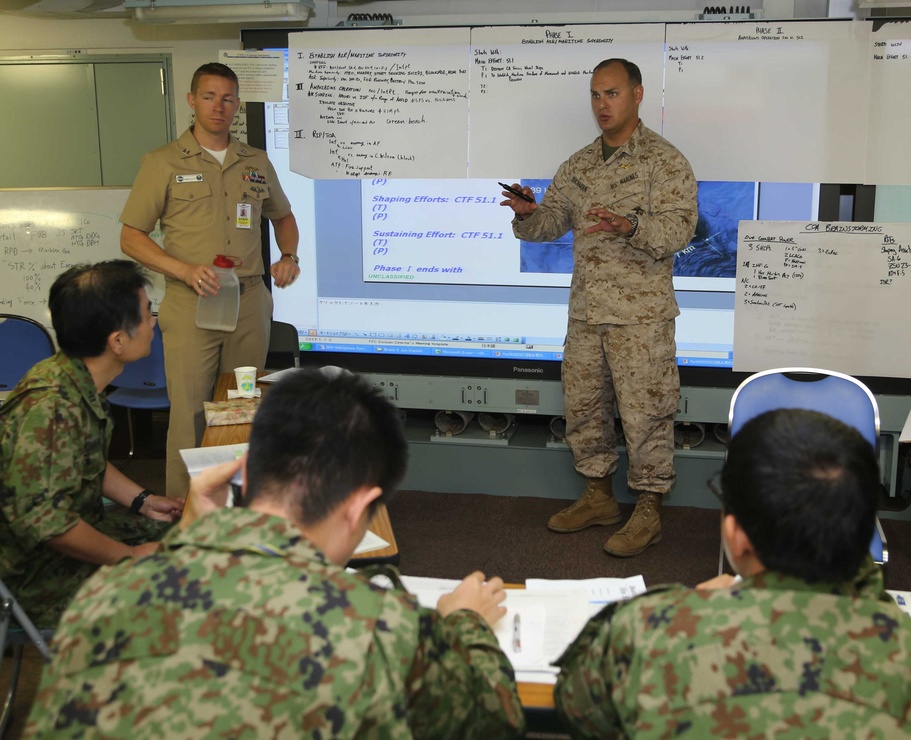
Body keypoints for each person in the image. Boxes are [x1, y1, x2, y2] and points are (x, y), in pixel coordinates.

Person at [26, 369, 526, 738]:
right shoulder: (379, 628)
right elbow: (493, 719)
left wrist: (185, 537)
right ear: (362, 508)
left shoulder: (103, 598)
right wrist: (465, 623)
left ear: (246, 469)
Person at [553, 409, 911, 738]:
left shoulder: (650, 631)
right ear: (861, 526)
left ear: (735, 536)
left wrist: (683, 608)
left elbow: (575, 708)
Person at [501, 58, 698, 557]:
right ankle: (598, 498)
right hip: (587, 314)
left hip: (641, 318)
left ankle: (648, 510)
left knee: (645, 414)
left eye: (611, 94)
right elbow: (549, 225)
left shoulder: (664, 161)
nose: (601, 105)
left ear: (636, 94)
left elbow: (679, 232)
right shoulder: (579, 165)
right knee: (584, 409)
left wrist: (630, 225)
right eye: (594, 95)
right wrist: (528, 215)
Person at [120, 61, 300, 499]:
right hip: (191, 302)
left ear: (237, 105)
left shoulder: (255, 161)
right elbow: (131, 236)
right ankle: (187, 510)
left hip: (249, 299)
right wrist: (181, 269)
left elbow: (284, 216)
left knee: (241, 407)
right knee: (190, 412)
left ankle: (238, 503)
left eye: (227, 98)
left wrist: (289, 255)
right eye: (209, 97)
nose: (218, 106)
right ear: (191, 101)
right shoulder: (162, 162)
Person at [0, 261, 182, 628]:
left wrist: (144, 501)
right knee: (186, 587)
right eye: (148, 314)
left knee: (192, 538)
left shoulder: (70, 374)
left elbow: (85, 461)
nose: (153, 323)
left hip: (71, 539)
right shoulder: (52, 408)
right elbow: (48, 523)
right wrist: (128, 557)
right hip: (36, 577)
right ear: (117, 341)